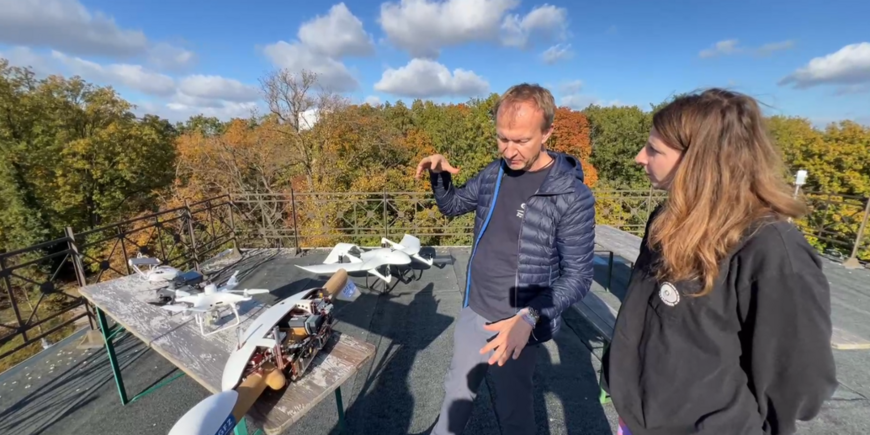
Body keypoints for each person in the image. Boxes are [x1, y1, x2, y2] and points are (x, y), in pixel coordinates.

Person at [601, 88, 838, 435]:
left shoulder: (771, 247)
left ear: (699, 161)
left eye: (654, 149)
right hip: (639, 420)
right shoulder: (666, 220)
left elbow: (802, 381)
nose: (640, 157)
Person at [415, 83, 596, 435]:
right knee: (455, 401)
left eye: (521, 141)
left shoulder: (572, 195)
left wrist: (528, 317)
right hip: (475, 310)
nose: (510, 151)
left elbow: (577, 277)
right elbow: (453, 206)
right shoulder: (494, 173)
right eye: (502, 139)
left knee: (515, 415)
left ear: (547, 133)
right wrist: (439, 176)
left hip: (518, 324)